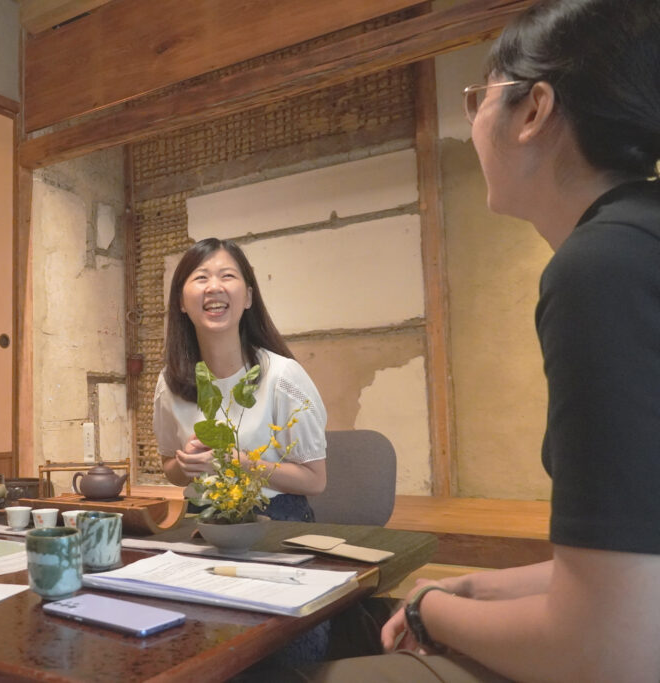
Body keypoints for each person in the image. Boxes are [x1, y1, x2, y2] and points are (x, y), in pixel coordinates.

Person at [301, 0, 660, 680]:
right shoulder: (637, 238)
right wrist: (475, 589)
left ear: (534, 110)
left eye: (479, 99)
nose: (470, 127)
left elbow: (609, 651)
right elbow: (630, 565)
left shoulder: (601, 268)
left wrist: (431, 610)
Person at [154, 237, 328, 522]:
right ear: (181, 302)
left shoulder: (282, 376)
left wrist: (239, 463)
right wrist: (187, 463)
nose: (214, 287)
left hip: (274, 521)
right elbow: (171, 470)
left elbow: (315, 480)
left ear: (248, 297)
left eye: (227, 276)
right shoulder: (170, 381)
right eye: (201, 278)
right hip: (200, 518)